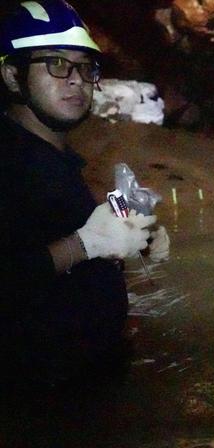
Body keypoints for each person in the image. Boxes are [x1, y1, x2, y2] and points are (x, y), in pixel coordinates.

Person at [0, 0, 169, 386]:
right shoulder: (9, 162)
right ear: (13, 76)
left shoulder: (53, 158)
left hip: (86, 385)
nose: (76, 79)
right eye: (57, 64)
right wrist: (83, 244)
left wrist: (133, 238)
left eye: (85, 66)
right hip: (41, 406)